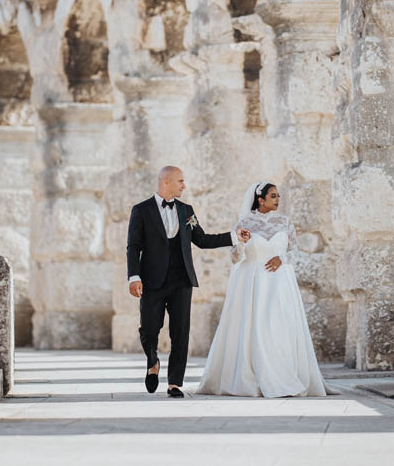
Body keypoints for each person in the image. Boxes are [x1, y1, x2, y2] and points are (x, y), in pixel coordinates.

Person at [126, 166, 250, 398]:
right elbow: (133, 246)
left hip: (182, 279)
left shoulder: (186, 210)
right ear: (166, 181)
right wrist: (134, 276)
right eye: (180, 181)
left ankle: (175, 383)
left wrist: (234, 236)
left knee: (180, 332)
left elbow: (201, 240)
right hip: (151, 281)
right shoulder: (141, 210)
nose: (184, 185)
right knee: (149, 328)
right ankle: (153, 362)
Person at [197, 182, 329, 397]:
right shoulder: (245, 223)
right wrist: (241, 244)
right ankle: (256, 377)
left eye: (279, 196)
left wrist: (282, 258)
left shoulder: (285, 222)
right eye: (273, 196)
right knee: (256, 327)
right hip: (253, 284)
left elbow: (294, 250)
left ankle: (283, 375)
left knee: (278, 326)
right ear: (261, 199)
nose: (278, 199)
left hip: (280, 283)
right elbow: (235, 257)